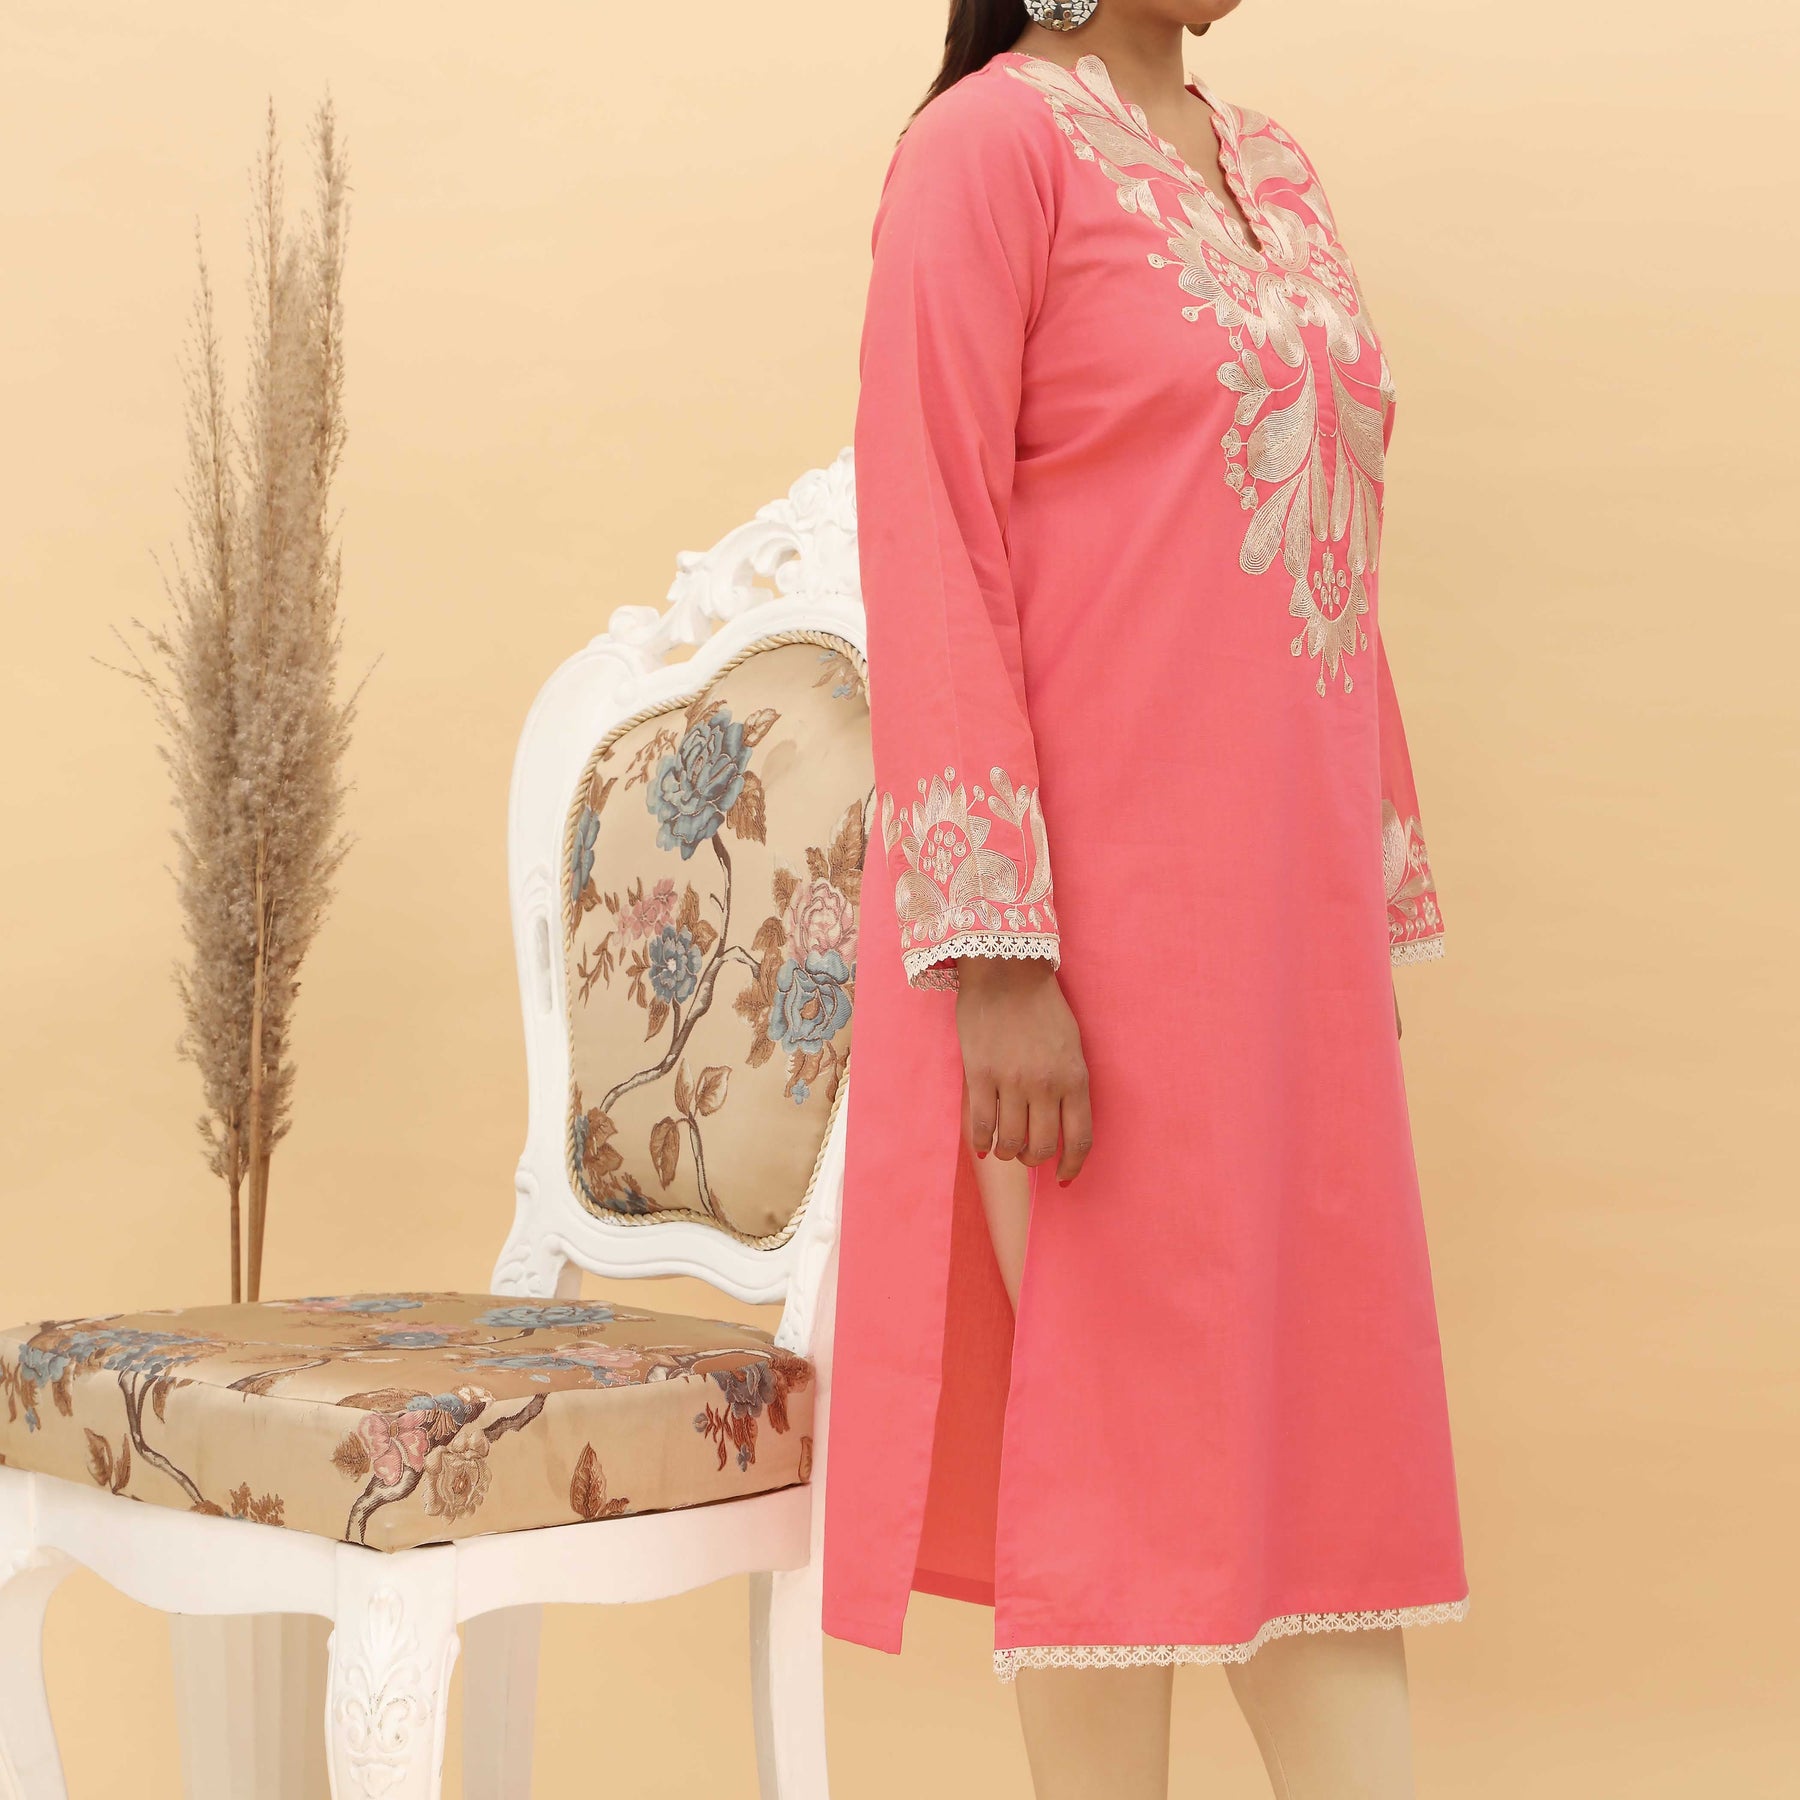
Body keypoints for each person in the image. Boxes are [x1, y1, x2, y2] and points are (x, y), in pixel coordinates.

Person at [821, 3, 1468, 1794]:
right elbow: (928, 533)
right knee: (1129, 1473)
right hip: (1094, 953)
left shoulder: (1277, 170)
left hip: (1288, 951)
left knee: (1316, 1478)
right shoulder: (986, 152)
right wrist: (999, 958)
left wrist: (1356, 913)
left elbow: (1334, 553)